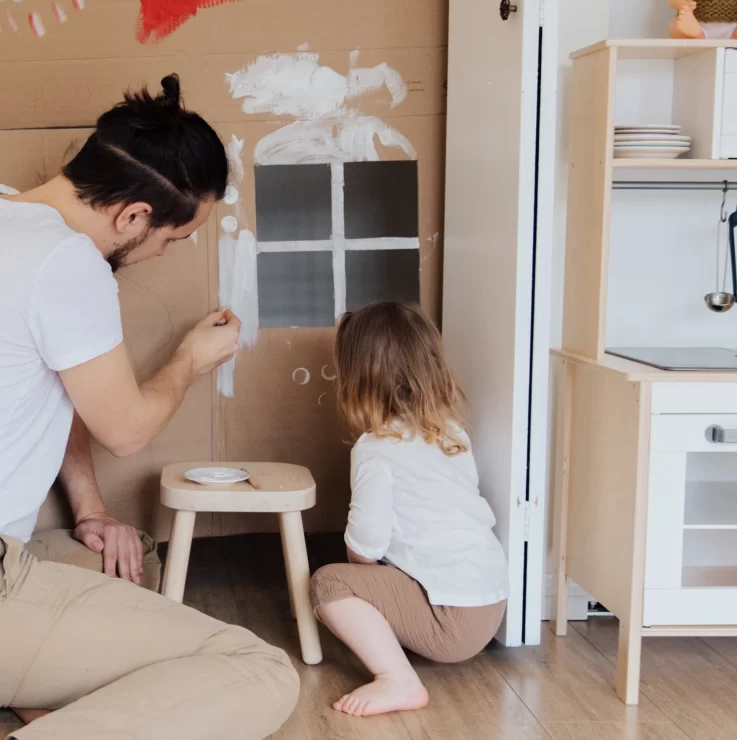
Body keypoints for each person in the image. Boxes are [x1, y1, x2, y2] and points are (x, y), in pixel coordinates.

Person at [0, 75, 299, 740]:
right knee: (257, 666)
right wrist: (190, 359)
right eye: (173, 237)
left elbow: (42, 387)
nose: (163, 253)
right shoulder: (66, 261)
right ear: (134, 215)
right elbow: (127, 429)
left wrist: (91, 509)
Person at [309, 301, 509, 718]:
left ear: (357, 379)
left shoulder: (376, 448)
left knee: (329, 584)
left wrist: (363, 568)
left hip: (452, 623)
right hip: (492, 602)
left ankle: (397, 679)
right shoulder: (451, 433)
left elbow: (367, 542)